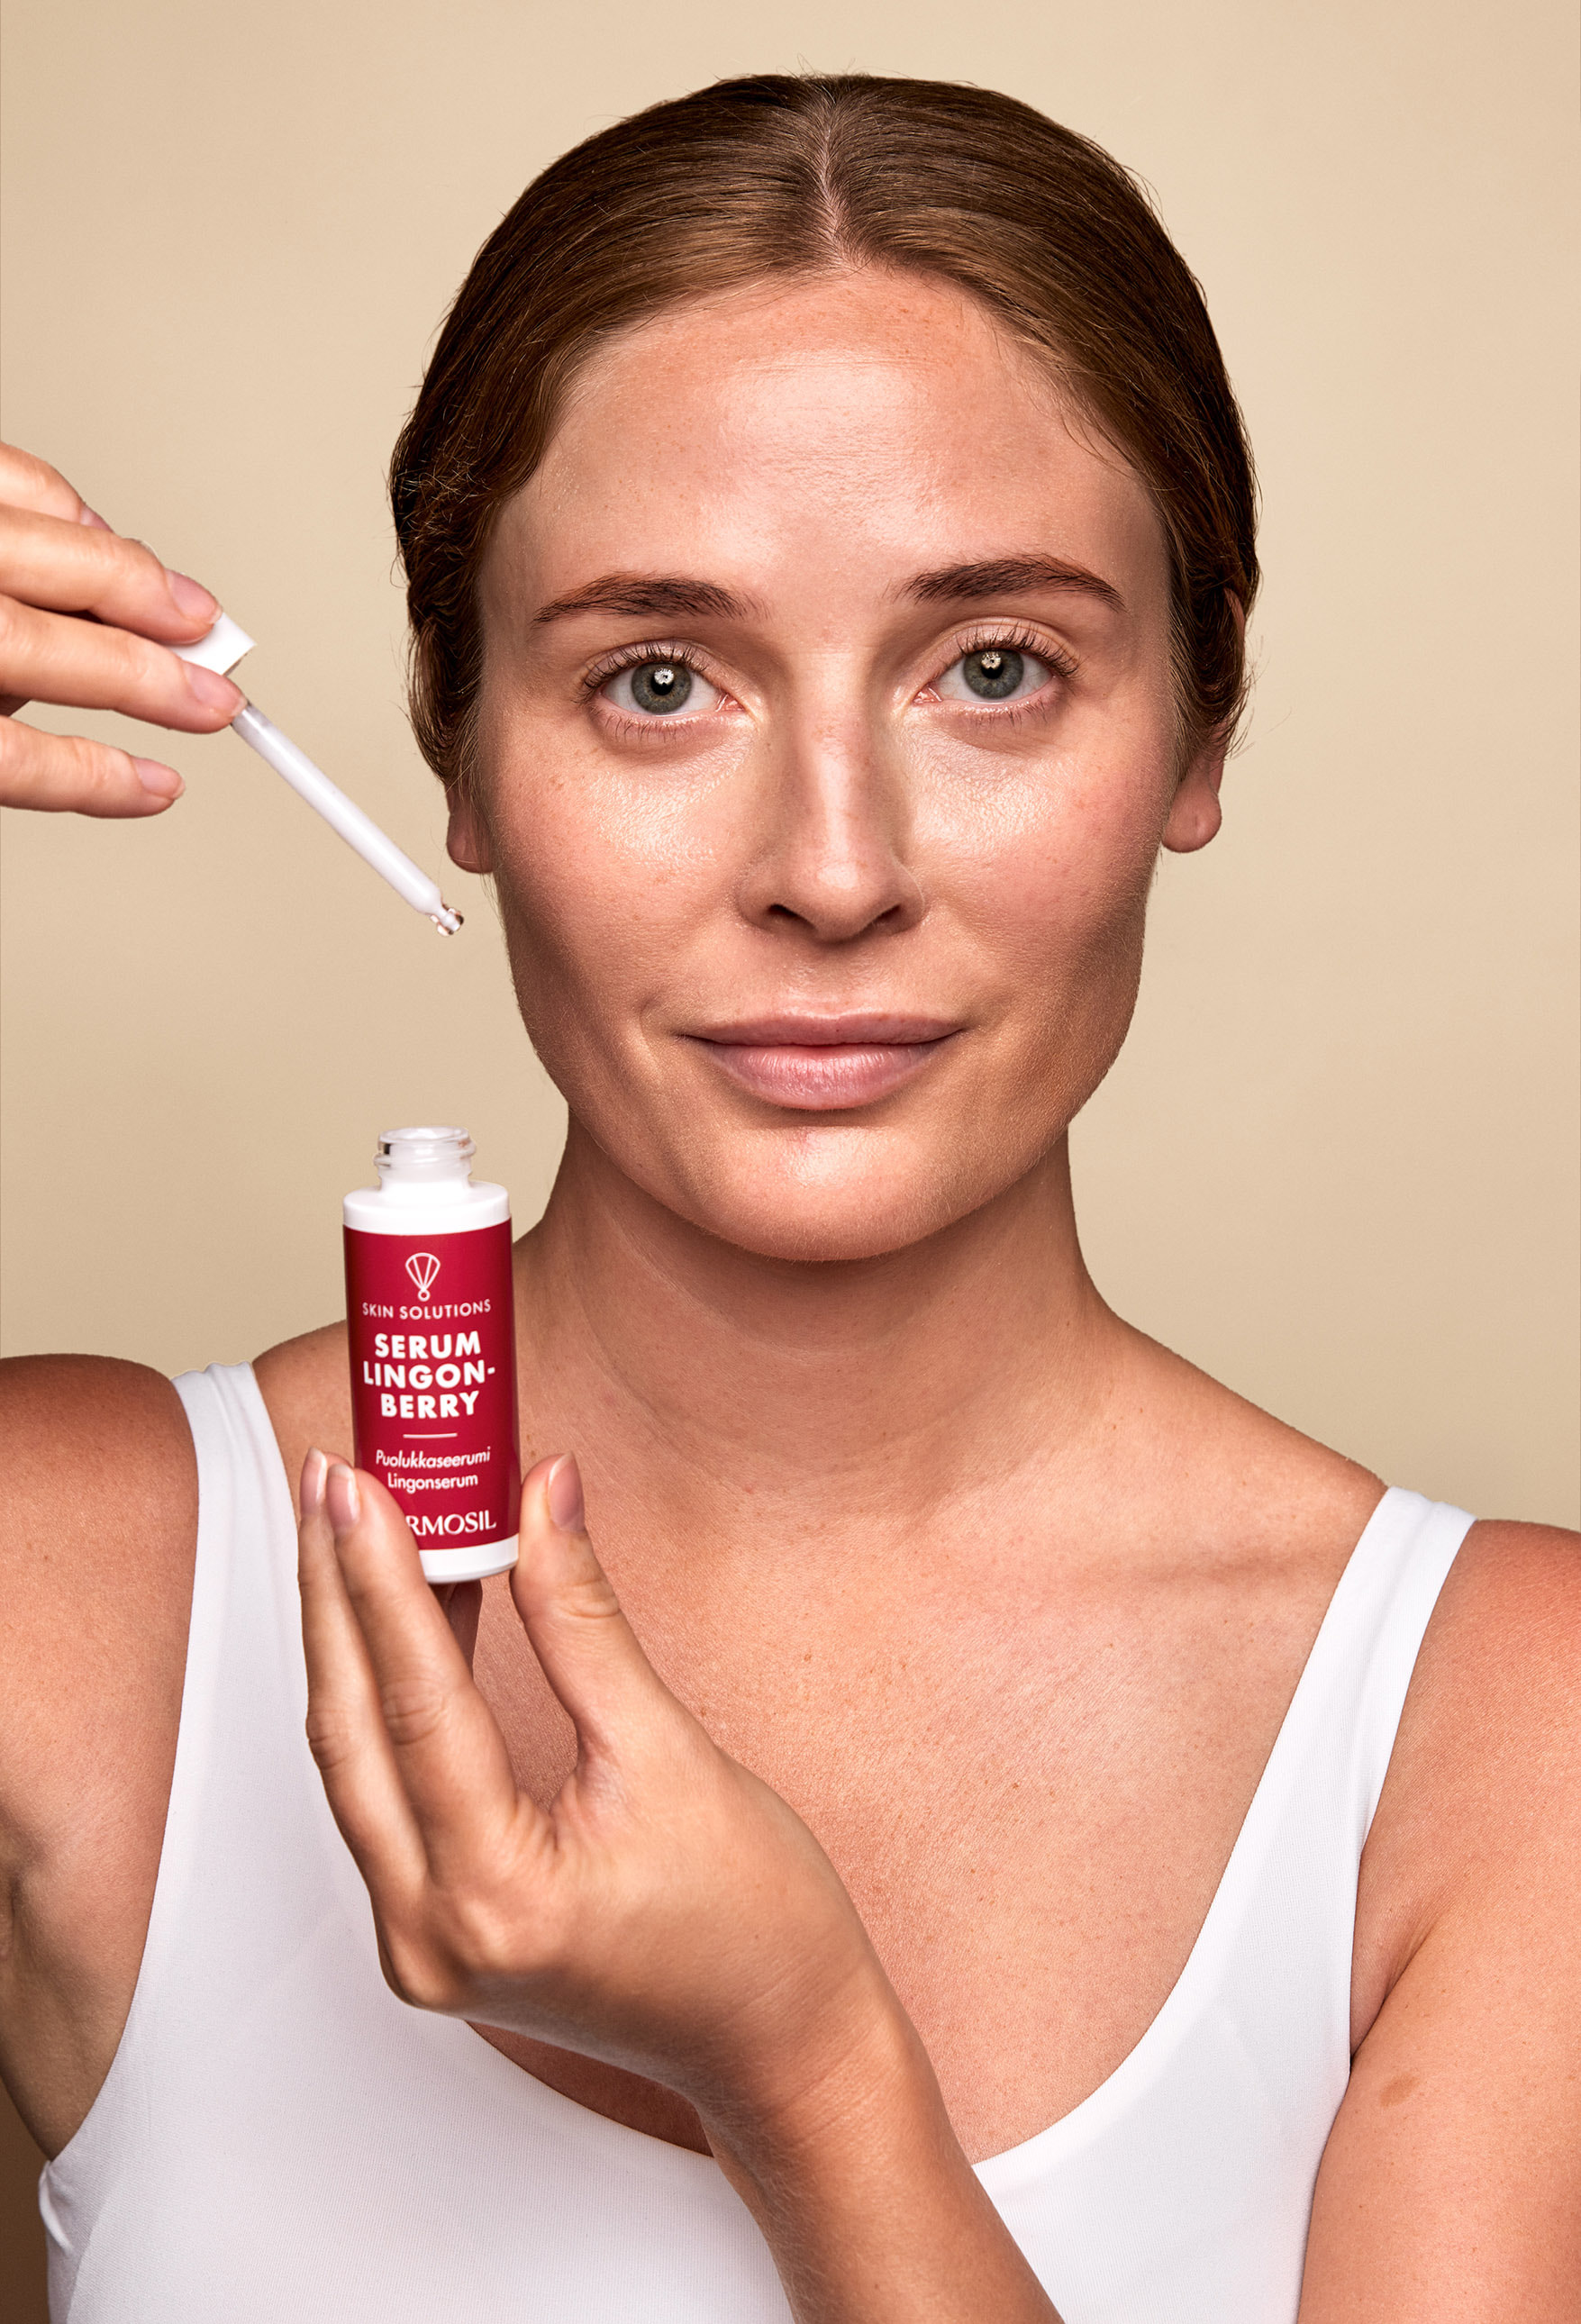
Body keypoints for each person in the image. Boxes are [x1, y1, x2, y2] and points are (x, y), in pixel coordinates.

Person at [0, 71, 1576, 2324]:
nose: (831, 872)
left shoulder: (1512, 1732)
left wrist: (810, 2074)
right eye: (657, 681)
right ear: (455, 736)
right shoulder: (67, 1589)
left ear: (1198, 725)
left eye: (994, 670)